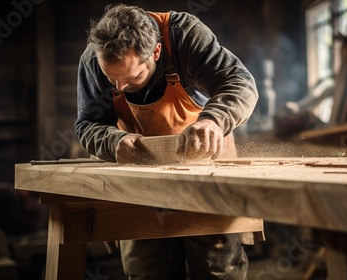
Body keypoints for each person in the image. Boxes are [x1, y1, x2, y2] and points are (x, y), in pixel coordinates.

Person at [74, 4, 259, 279]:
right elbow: (87, 124)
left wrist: (213, 121)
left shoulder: (183, 36)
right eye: (112, 78)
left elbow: (240, 83)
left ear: (156, 53)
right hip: (139, 179)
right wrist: (113, 141)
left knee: (218, 271)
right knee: (147, 272)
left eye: (132, 76)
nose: (120, 88)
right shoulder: (93, 58)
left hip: (206, 172)